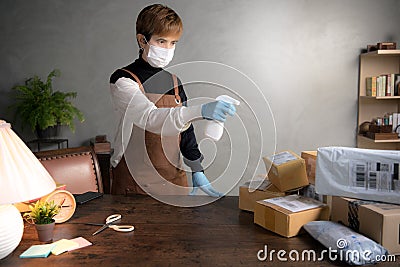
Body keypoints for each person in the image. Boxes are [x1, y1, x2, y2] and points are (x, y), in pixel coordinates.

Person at [109, 4, 236, 197]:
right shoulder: (123, 80)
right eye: (161, 41)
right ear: (142, 40)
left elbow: (185, 129)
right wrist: (200, 110)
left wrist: (196, 167)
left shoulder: (174, 82)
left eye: (173, 42)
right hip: (134, 181)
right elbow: (150, 118)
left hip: (173, 179)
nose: (168, 49)